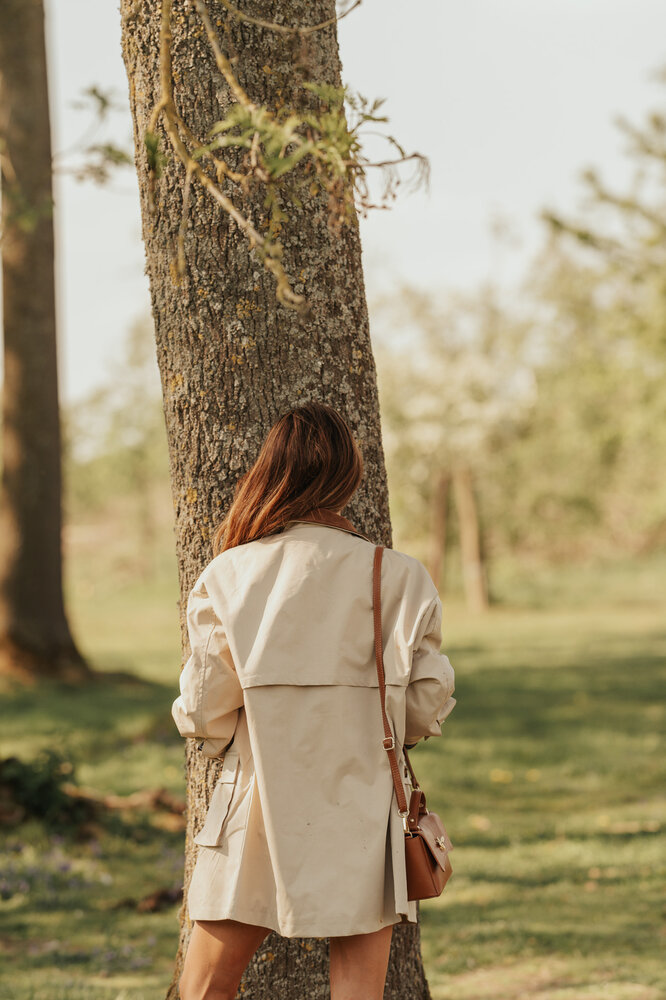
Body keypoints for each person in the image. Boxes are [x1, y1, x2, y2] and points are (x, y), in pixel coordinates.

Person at [171, 400, 457, 1000]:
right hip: (363, 801)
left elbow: (202, 713)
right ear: (348, 478)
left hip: (256, 801)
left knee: (205, 989)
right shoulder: (398, 575)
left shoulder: (228, 573)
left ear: (270, 474)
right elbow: (424, 704)